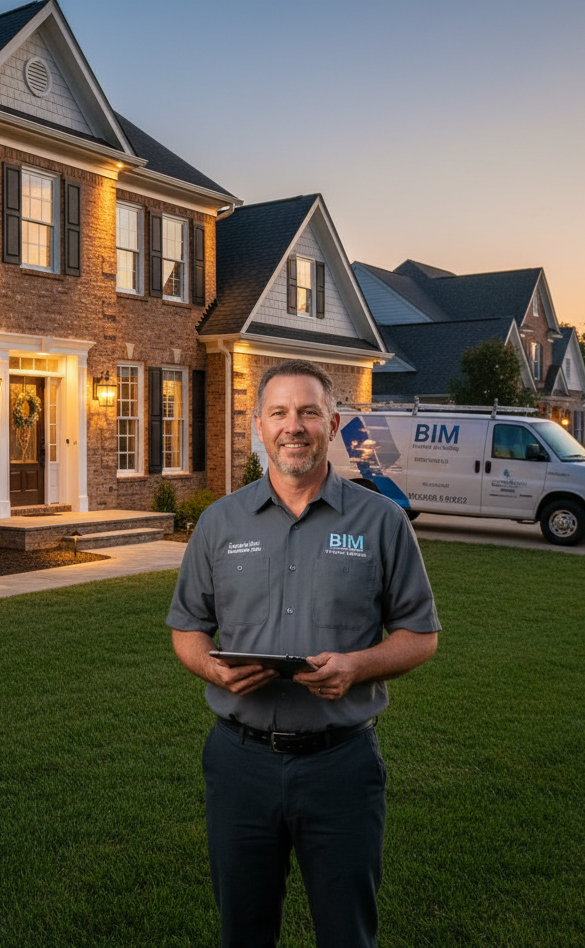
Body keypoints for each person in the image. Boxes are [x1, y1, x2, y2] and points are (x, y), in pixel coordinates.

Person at [167, 360, 440, 948]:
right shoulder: (218, 522)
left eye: (309, 412)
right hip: (240, 765)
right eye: (280, 413)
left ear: (333, 424)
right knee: (243, 930)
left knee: (347, 933)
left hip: (340, 767)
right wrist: (210, 666)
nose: (295, 426)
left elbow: (421, 634)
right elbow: (187, 628)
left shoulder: (382, 522)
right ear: (259, 427)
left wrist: (357, 666)